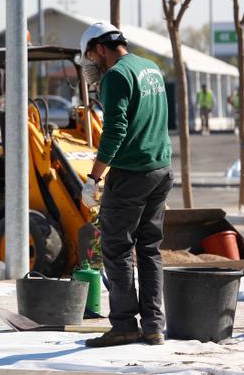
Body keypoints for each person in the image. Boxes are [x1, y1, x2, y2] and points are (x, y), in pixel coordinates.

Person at [78, 22, 172, 348]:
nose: (92, 64)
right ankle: (154, 327)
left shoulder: (116, 76)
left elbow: (115, 130)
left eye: (91, 56)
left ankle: (123, 325)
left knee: (116, 251)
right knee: (149, 250)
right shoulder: (151, 68)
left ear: (100, 48)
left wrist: (94, 177)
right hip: (160, 169)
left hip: (131, 173)